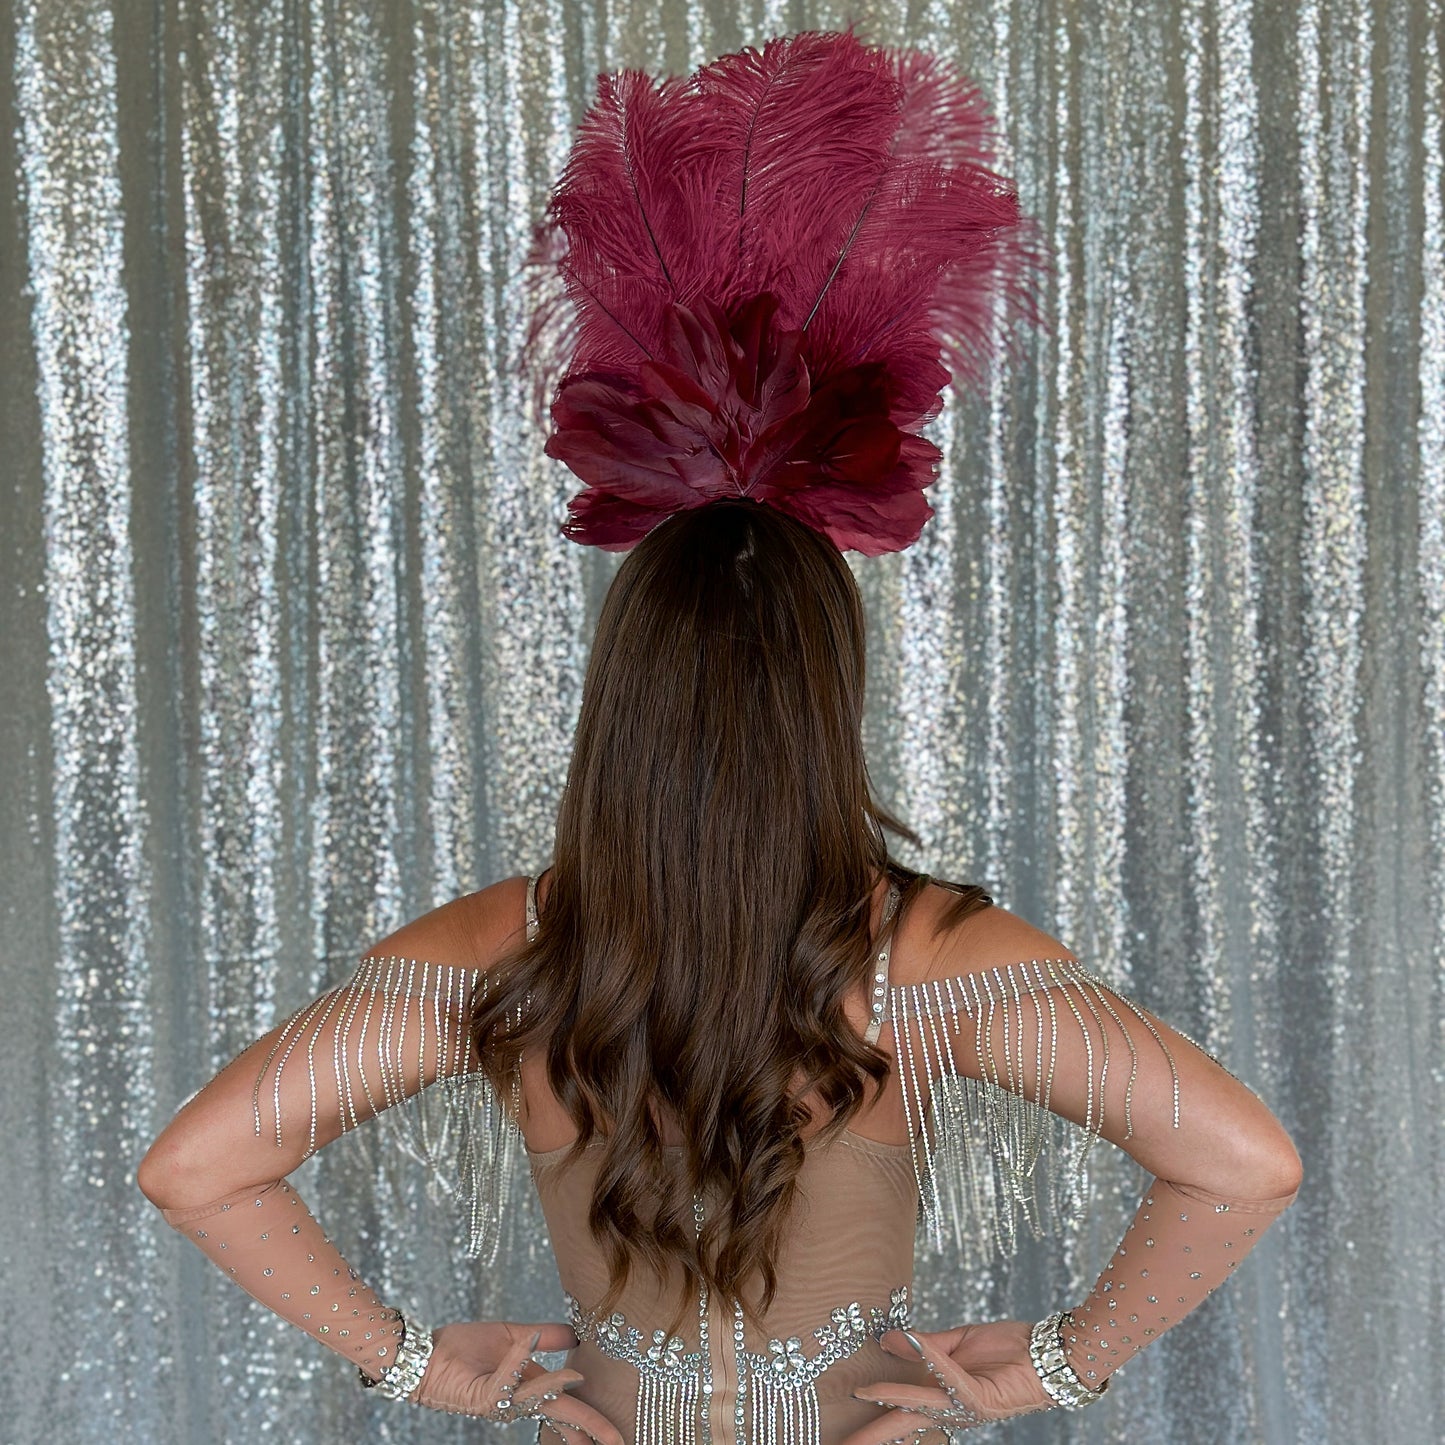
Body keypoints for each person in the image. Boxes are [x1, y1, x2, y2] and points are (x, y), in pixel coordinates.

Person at [137, 29, 1303, 1445]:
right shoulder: (929, 962)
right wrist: (1049, 1367)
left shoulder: (500, 949)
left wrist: (420, 1368)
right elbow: (1241, 1165)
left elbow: (199, 1168)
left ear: (621, 693)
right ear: (827, 694)